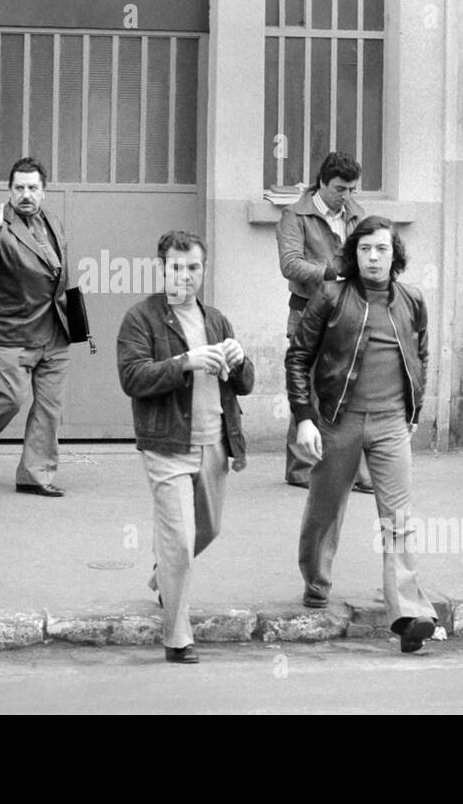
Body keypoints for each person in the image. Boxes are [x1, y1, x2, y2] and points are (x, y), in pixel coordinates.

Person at [286, 215, 439, 654]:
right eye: (365, 249)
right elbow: (298, 356)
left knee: (399, 518)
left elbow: (420, 354)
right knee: (324, 508)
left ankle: (408, 613)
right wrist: (305, 417)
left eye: (382, 249)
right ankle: (316, 580)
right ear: (353, 254)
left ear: (395, 255)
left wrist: (414, 408)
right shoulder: (331, 296)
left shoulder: (412, 300)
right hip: (339, 419)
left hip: (392, 423)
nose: (373, 257)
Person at [116, 230, 253, 664]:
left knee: (207, 530)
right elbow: (132, 378)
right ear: (162, 269)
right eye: (176, 267)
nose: (185, 276)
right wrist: (184, 363)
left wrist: (240, 358)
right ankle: (178, 637)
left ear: (203, 270)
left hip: (215, 441)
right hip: (167, 443)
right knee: (178, 542)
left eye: (193, 267)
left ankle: (165, 577)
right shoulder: (141, 319)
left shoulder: (216, 320)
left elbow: (246, 385)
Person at [0, 158, 71, 497]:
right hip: (14, 332)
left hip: (55, 331)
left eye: (33, 188)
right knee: (12, 397)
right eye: (19, 188)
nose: (25, 194)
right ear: (9, 191)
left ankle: (34, 476)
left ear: (44, 192)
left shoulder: (53, 221)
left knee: (50, 408)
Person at [276, 151, 372, 494]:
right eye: (339, 188)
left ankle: (357, 473)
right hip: (307, 311)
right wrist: (332, 272)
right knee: (310, 388)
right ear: (322, 183)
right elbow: (289, 264)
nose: (346, 195)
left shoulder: (357, 215)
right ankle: (302, 469)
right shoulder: (295, 215)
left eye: (351, 189)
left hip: (349, 311)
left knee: (353, 388)